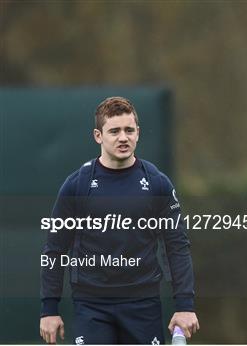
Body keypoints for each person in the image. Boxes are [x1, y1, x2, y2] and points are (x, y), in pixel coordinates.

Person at [39, 97, 199, 344]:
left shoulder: (158, 183)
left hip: (143, 305)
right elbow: (54, 249)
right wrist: (49, 309)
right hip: (91, 306)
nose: (123, 137)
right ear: (98, 136)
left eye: (129, 130)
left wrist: (185, 305)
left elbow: (176, 247)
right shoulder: (77, 184)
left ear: (138, 133)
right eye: (114, 131)